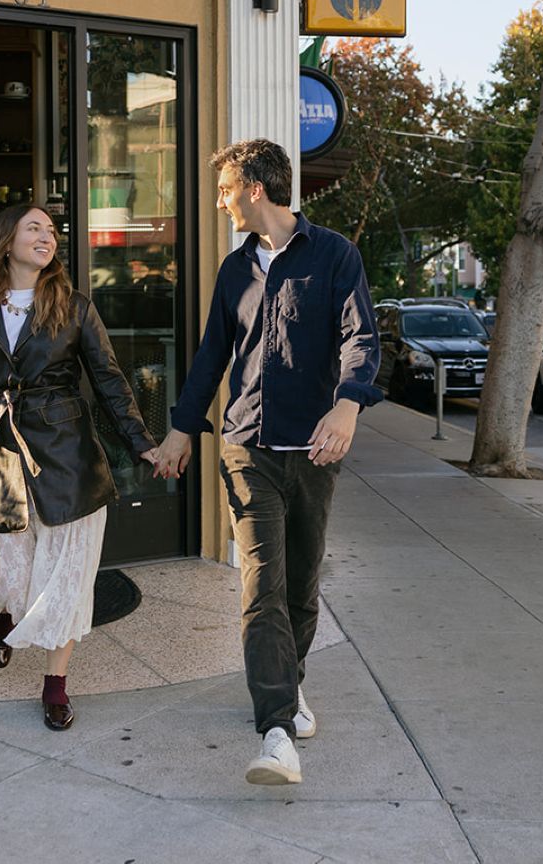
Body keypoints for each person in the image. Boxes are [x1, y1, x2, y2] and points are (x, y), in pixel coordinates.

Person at [151, 138, 380, 786]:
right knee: (259, 589)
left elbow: (360, 337)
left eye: (225, 189)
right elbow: (208, 361)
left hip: (313, 452)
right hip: (246, 449)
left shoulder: (334, 255)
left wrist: (347, 407)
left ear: (254, 188)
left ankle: (289, 683)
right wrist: (178, 432)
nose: (220, 201)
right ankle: (275, 730)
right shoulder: (234, 270)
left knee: (300, 587)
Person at [0, 204, 158, 731]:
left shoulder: (74, 307)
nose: (47, 237)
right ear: (5, 240)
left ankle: (55, 685)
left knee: (68, 573)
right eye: (34, 228)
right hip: (1, 453)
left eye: (52, 231)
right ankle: (6, 615)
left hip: (68, 455)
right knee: (7, 565)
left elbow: (109, 381)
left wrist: (142, 442)